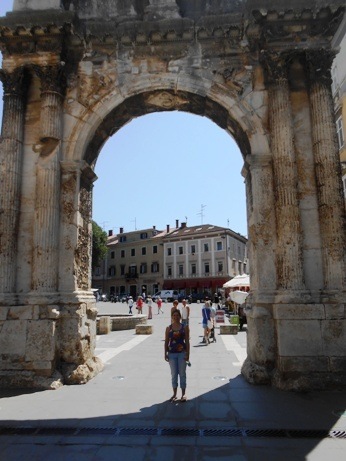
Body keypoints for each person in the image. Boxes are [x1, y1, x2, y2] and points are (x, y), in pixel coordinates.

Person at [164, 309, 190, 402]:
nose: (176, 317)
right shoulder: (168, 328)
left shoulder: (184, 327)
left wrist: (188, 354)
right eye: (174, 315)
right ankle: (174, 394)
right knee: (174, 374)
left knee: (182, 374)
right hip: (171, 354)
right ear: (172, 317)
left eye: (177, 315)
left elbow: (187, 341)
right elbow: (166, 341)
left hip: (182, 353)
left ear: (180, 316)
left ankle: (183, 394)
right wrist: (165, 353)